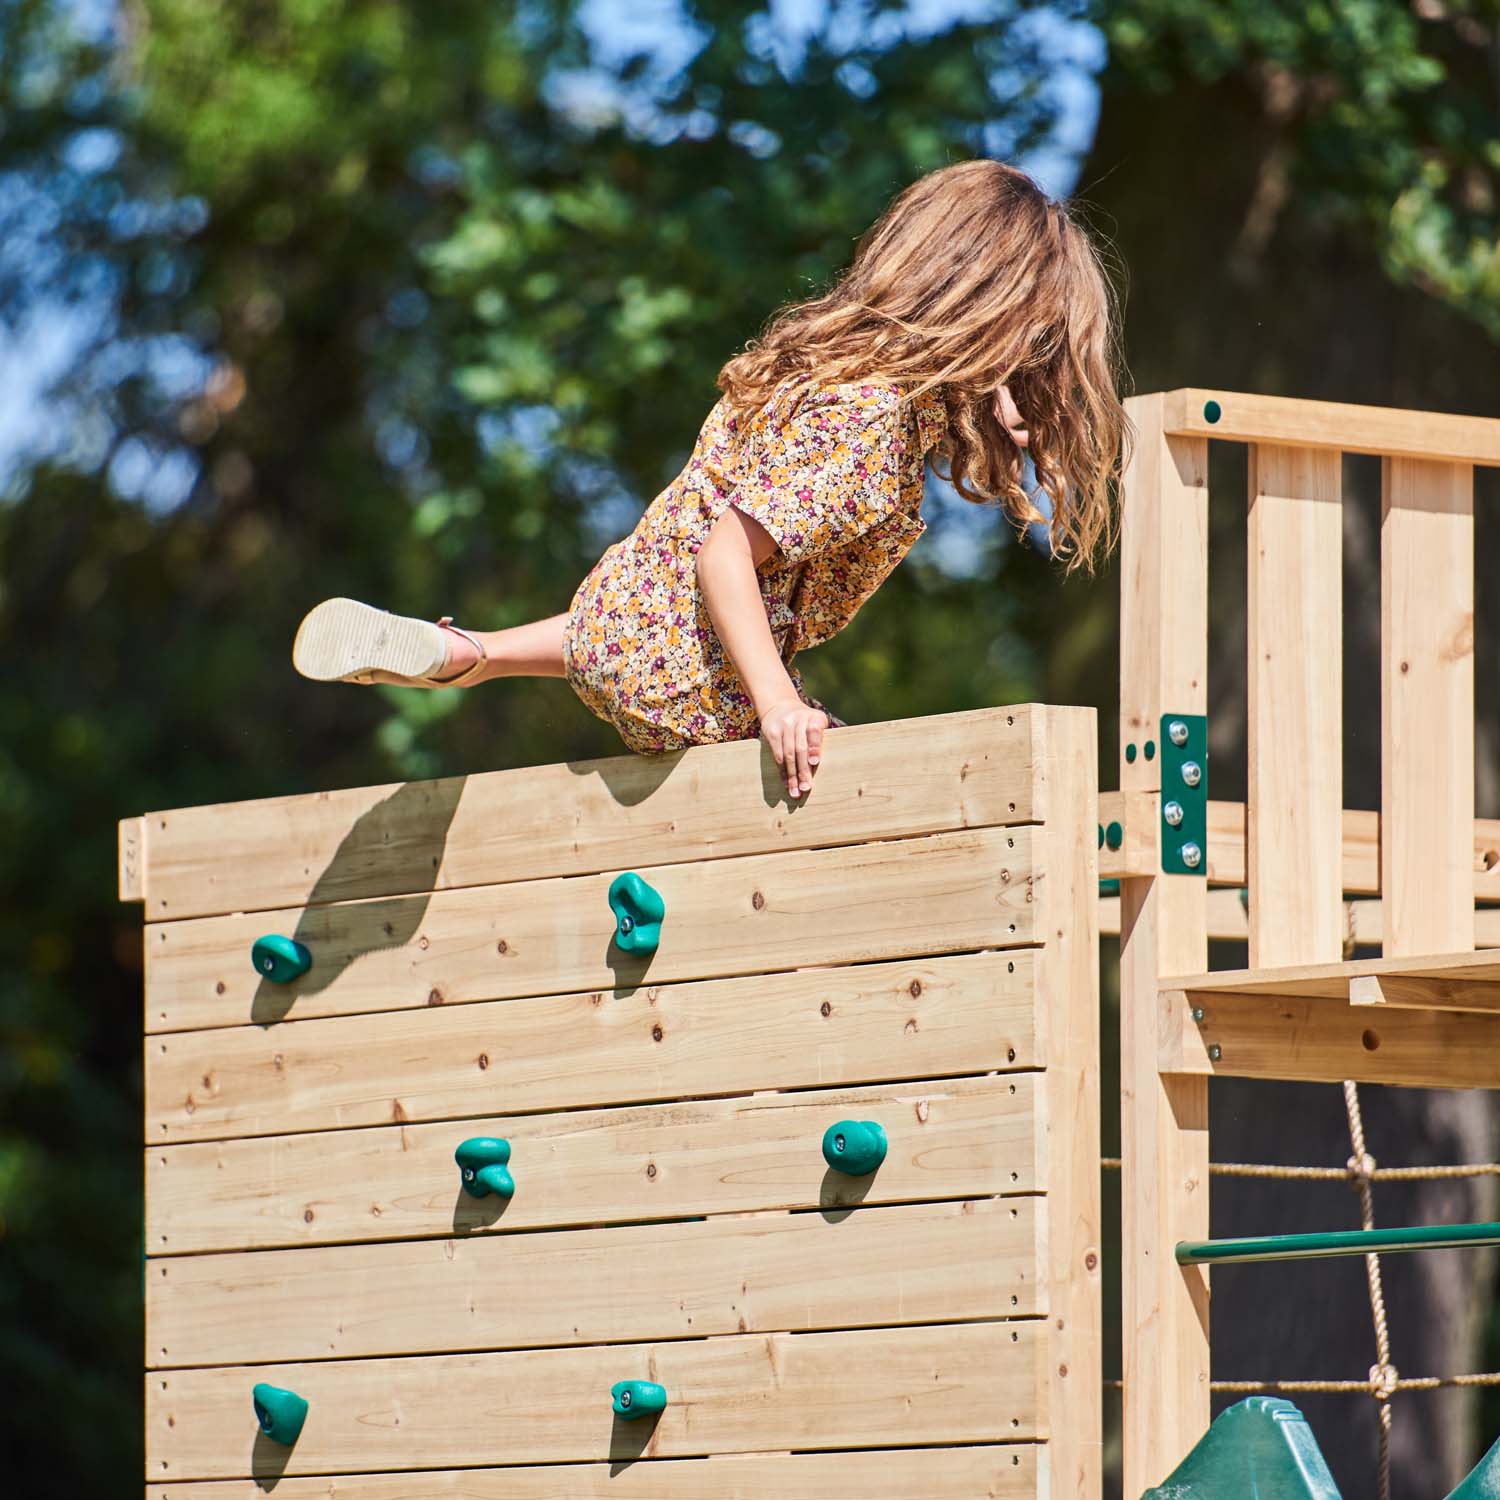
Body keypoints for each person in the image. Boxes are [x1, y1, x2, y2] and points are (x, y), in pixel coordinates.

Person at [292, 158, 1129, 798]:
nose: (1030, 373)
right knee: (845, 792)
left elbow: (656, 595)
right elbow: (723, 557)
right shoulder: (873, 430)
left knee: (625, 626)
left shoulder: (818, 374)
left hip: (618, 622)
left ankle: (460, 653)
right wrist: (777, 706)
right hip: (703, 682)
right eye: (1027, 347)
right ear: (977, 314)